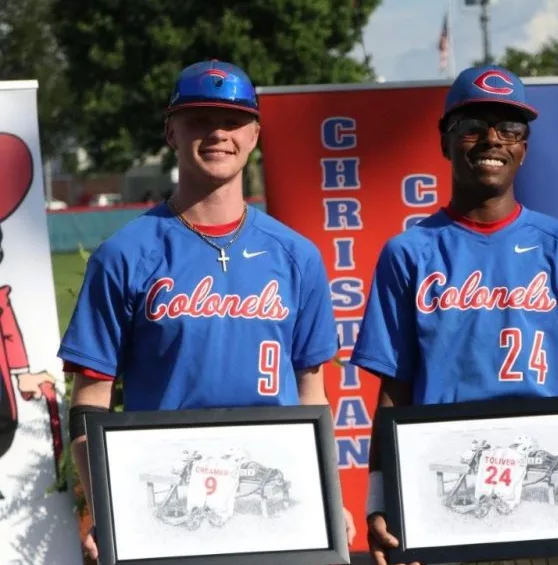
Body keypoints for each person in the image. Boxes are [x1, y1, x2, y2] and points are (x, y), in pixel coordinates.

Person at [57, 59, 355, 560]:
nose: (217, 133)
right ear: (171, 131)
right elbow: (89, 399)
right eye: (198, 119)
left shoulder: (297, 255)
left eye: (233, 120)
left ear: (255, 133)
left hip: (272, 493)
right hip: (172, 498)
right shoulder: (125, 255)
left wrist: (329, 491)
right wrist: (106, 508)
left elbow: (312, 391)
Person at [351, 64, 558, 565]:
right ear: (445, 142)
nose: (491, 139)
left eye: (509, 129)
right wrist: (380, 499)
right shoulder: (408, 253)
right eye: (472, 127)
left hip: (543, 483)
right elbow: (394, 393)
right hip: (446, 490)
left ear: (524, 147)